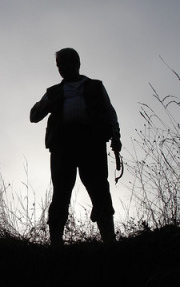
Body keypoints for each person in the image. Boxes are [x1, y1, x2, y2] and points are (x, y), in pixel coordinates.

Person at [30, 48, 122, 246]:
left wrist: (116, 137)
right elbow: (34, 116)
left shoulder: (95, 86)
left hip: (92, 142)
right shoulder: (53, 92)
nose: (63, 67)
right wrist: (46, 102)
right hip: (63, 146)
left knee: (99, 189)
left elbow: (109, 111)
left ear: (77, 63)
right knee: (61, 192)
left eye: (67, 62)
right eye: (60, 64)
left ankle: (109, 241)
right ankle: (56, 243)